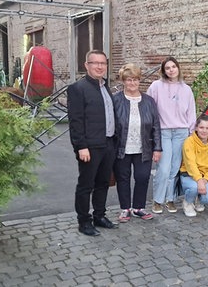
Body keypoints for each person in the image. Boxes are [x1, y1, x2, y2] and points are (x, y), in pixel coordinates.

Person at [67, 50, 118, 236]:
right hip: (90, 147)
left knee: (103, 183)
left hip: (109, 144)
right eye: (95, 63)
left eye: (103, 63)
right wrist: (81, 146)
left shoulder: (105, 87)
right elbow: (76, 121)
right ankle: (84, 221)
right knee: (86, 185)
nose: (99, 66)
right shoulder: (77, 88)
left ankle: (99, 216)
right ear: (86, 65)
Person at [112, 63, 162, 223]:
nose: (132, 83)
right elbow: (110, 124)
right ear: (123, 81)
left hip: (144, 148)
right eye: (128, 80)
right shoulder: (116, 100)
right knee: (123, 178)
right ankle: (125, 208)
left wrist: (157, 148)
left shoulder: (149, 101)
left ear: (139, 81)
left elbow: (156, 125)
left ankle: (138, 207)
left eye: (135, 80)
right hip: (121, 147)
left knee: (142, 177)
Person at [146, 57, 196, 214]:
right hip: (164, 132)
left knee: (174, 168)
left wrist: (190, 133)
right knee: (164, 168)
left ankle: (170, 199)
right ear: (163, 70)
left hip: (181, 132)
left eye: (174, 66)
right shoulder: (156, 86)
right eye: (167, 68)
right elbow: (149, 107)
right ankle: (157, 200)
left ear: (178, 68)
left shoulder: (186, 89)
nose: (171, 70)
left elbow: (191, 113)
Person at [179, 113, 208, 217]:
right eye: (201, 127)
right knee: (194, 187)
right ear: (196, 128)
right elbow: (190, 163)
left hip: (204, 178)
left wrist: (205, 180)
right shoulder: (189, 142)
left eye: (207, 128)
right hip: (189, 175)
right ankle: (188, 202)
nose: (204, 131)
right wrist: (199, 180)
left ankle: (198, 199)